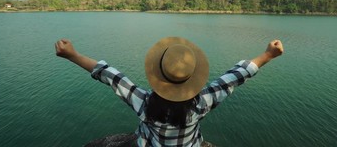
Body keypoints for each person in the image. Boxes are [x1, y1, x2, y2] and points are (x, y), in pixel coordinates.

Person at [55, 37, 284, 147]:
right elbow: (235, 76)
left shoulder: (143, 103)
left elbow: (110, 75)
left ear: (157, 75)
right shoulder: (201, 103)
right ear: (192, 79)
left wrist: (72, 55)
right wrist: (267, 55)